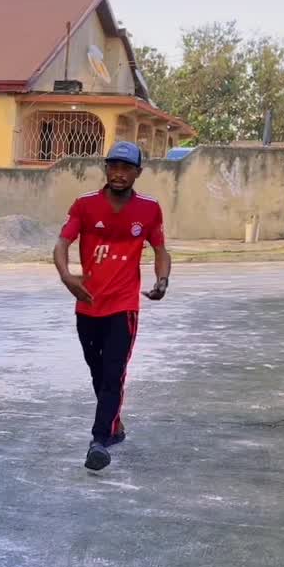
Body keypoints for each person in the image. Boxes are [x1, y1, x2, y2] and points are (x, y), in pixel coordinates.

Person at [53, 141, 172, 473]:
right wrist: (66, 276)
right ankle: (114, 426)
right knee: (98, 370)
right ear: (106, 169)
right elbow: (62, 243)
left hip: (124, 306)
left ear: (138, 173)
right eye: (113, 167)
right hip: (88, 306)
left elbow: (161, 250)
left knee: (113, 373)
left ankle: (99, 440)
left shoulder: (149, 209)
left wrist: (162, 280)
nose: (119, 174)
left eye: (126, 168)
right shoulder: (85, 205)